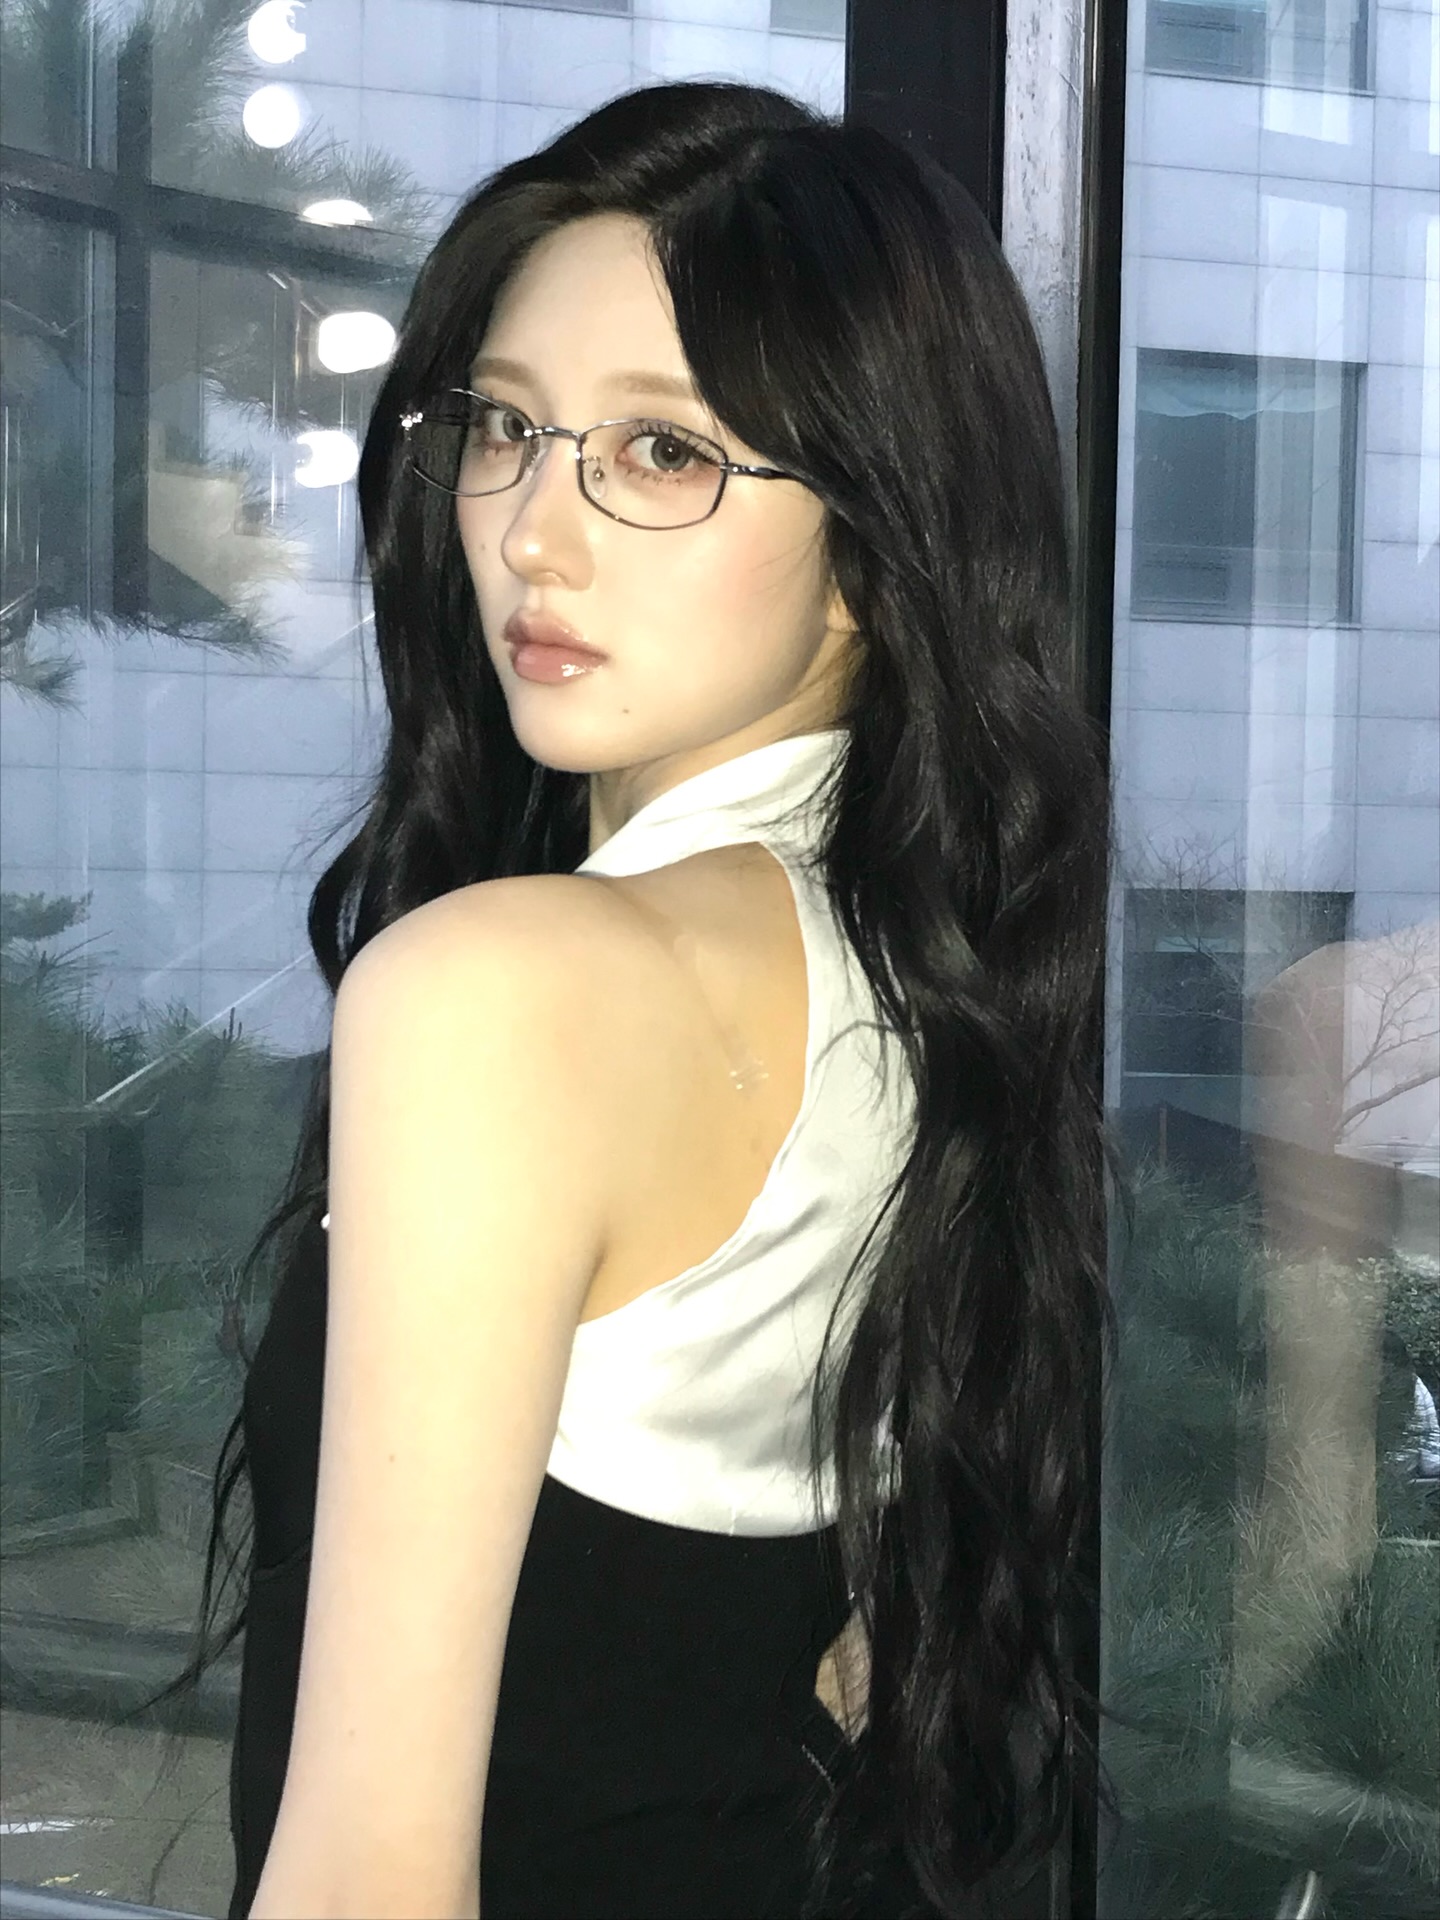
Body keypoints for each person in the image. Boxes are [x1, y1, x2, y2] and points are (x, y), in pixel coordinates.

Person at [139, 81, 1112, 1920]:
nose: (531, 531)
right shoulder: (922, 978)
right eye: (506, 426)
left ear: (879, 536)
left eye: (663, 453)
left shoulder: (503, 992)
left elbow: (370, 1878)